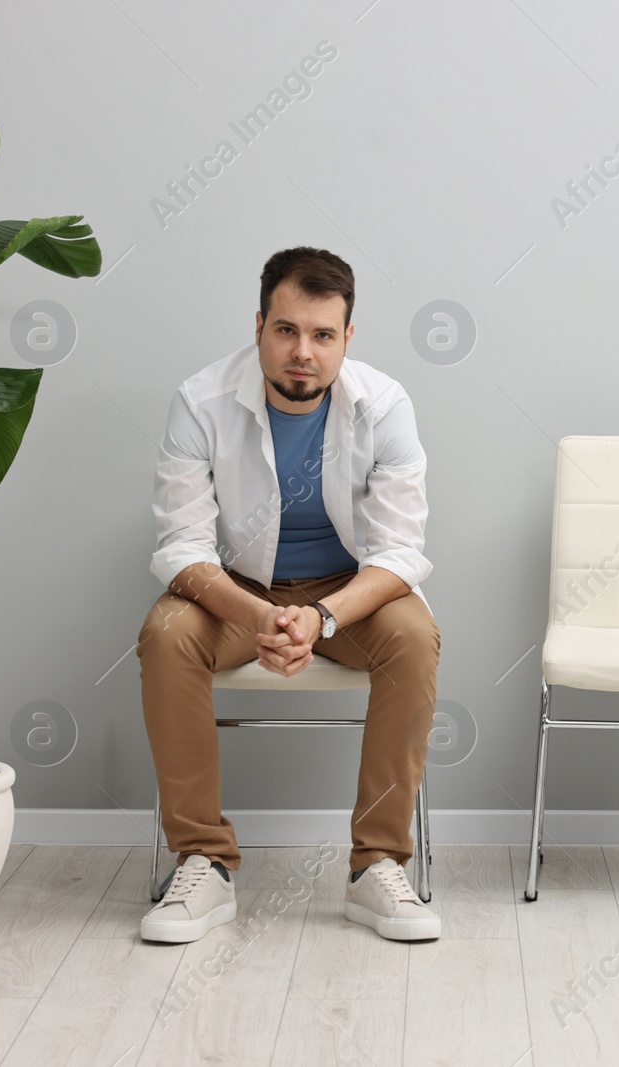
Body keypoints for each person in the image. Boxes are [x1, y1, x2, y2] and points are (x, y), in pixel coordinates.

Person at [136, 246, 442, 944]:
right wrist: (265, 614)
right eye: (286, 329)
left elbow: (399, 554)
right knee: (166, 633)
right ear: (259, 325)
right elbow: (182, 547)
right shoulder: (200, 402)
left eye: (322, 334)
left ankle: (378, 867)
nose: (302, 351)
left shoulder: (386, 407)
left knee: (415, 636)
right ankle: (202, 859)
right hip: (238, 589)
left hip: (348, 592)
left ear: (346, 339)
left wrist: (321, 616)